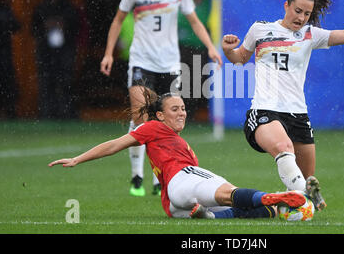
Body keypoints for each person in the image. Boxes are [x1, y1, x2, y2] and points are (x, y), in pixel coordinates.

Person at [221, 0, 344, 211]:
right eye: (298, 11)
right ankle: (300, 196)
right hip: (265, 110)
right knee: (283, 146)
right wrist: (228, 50)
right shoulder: (260, 29)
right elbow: (239, 59)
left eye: (307, 14)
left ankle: (296, 199)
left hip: (298, 114)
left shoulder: (310, 35)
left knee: (306, 178)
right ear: (286, 5)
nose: (301, 17)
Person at [48, 92, 306, 219]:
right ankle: (274, 196)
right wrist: (78, 159)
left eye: (183, 108)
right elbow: (115, 144)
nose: (182, 113)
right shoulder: (153, 128)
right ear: (160, 115)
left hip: (173, 204)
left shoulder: (178, 142)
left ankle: (271, 209)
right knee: (230, 193)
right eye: (175, 109)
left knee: (230, 210)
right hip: (182, 180)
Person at [99, 0, 222, 197]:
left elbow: (195, 22)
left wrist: (210, 46)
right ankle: (136, 176)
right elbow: (118, 20)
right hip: (141, 62)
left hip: (168, 64)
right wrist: (109, 53)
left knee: (165, 124)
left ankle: (159, 176)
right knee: (141, 118)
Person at [31, 0, 80, 119]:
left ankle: (68, 113)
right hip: (45, 52)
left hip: (65, 51)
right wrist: (45, 26)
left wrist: (63, 24)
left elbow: (76, 27)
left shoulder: (69, 8)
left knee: (66, 82)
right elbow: (33, 28)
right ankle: (47, 114)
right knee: (46, 83)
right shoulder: (41, 8)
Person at [178, 0, 211, 121]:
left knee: (199, 79)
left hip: (200, 47)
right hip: (186, 47)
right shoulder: (185, 3)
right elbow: (182, 22)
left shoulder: (207, 3)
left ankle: (193, 112)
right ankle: (183, 111)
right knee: (184, 79)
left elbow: (207, 21)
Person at [0, 0, 21, 119]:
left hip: (4, 53)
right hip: (4, 53)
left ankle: (10, 111)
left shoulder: (6, 10)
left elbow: (17, 26)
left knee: (7, 82)